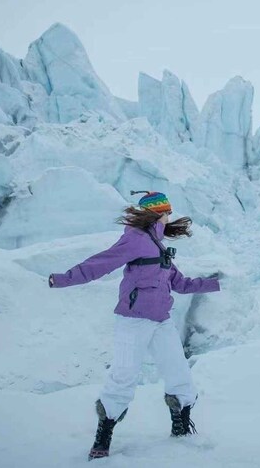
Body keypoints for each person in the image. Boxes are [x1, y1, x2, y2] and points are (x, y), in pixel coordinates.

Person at [48, 191, 222, 460]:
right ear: (158, 213)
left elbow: (180, 284)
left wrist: (215, 284)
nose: (170, 215)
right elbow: (99, 264)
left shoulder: (158, 245)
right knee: (124, 376)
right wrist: (63, 279)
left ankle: (180, 427)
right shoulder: (136, 240)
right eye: (167, 211)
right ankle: (103, 436)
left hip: (161, 321)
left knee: (179, 373)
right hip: (133, 320)